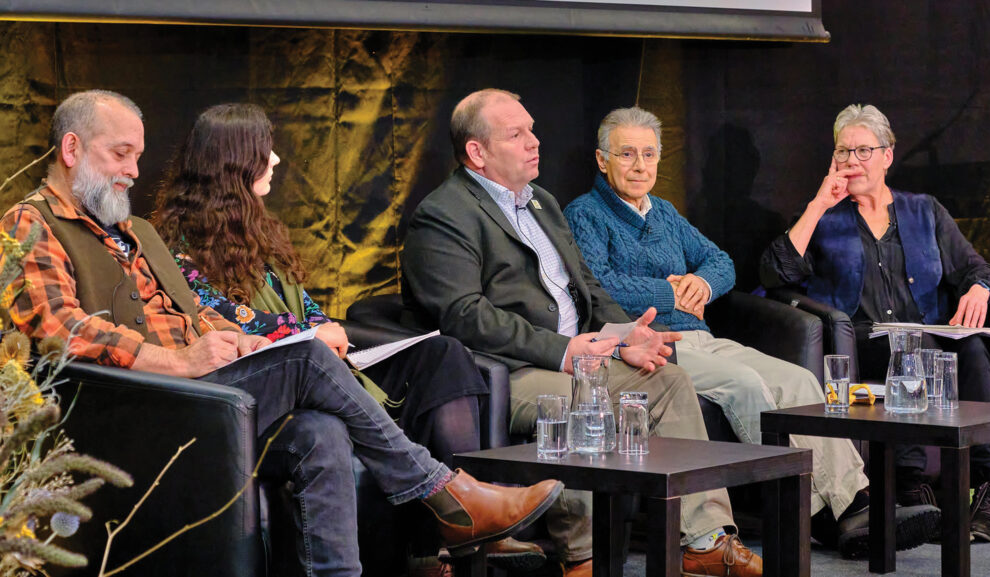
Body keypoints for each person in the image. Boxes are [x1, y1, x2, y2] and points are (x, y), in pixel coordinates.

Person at [0, 89, 563, 577]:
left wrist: (239, 339)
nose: (133, 171)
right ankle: (446, 494)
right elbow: (61, 329)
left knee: (320, 431)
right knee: (308, 362)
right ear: (71, 149)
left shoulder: (134, 230)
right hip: (139, 407)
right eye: (120, 154)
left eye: (138, 156)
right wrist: (178, 361)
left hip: (204, 392)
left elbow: (195, 316)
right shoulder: (29, 223)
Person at [150, 102, 542, 572]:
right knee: (321, 386)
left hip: (319, 360)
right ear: (234, 164)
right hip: (273, 380)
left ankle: (468, 522)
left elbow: (301, 302)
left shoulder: (259, 230)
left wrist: (321, 325)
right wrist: (310, 331)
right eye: (266, 152)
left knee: (441, 355)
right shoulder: (173, 248)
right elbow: (223, 321)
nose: (276, 160)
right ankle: (451, 501)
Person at [402, 88, 761, 577]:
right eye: (517, 134)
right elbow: (465, 315)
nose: (535, 141)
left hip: (583, 354)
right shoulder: (444, 214)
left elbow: (586, 287)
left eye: (532, 129)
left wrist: (628, 333)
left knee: (668, 380)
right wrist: (564, 350)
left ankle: (703, 540)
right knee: (586, 398)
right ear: (476, 152)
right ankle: (585, 558)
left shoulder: (543, 204)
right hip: (512, 368)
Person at [563, 106, 941, 558]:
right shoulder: (584, 214)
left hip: (701, 336)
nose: (641, 165)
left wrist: (701, 283)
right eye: (627, 154)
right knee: (746, 386)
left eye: (649, 154)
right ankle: (823, 516)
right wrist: (667, 293)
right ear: (603, 160)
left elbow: (720, 261)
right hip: (649, 344)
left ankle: (858, 501)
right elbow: (596, 287)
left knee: (800, 382)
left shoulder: (662, 212)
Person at [760, 103, 990, 543]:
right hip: (863, 339)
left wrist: (979, 289)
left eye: (862, 151)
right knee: (904, 350)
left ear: (887, 156)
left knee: (971, 349)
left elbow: (978, 268)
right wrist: (818, 205)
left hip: (930, 332)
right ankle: (910, 487)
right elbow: (775, 274)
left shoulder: (924, 211)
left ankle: (983, 490)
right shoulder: (824, 217)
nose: (851, 161)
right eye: (842, 152)